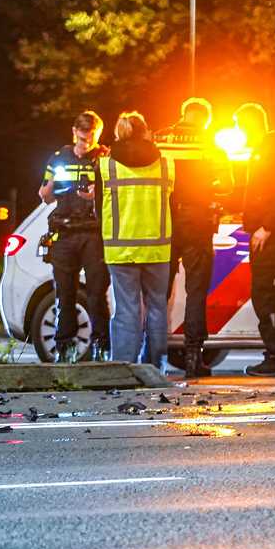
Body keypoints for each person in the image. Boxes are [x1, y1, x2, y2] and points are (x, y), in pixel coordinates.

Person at [154, 97, 232, 378]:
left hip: (164, 221)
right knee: (196, 291)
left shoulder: (161, 138)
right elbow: (228, 184)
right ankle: (193, 357)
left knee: (158, 290)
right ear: (205, 119)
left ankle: (152, 356)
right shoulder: (211, 143)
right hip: (198, 222)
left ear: (183, 114)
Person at [101, 111, 175, 368]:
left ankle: (124, 366)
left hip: (121, 251)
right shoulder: (165, 163)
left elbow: (98, 206)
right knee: (157, 307)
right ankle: (156, 366)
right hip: (157, 249)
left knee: (127, 310)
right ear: (145, 131)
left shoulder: (106, 165)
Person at [38, 110, 112, 363]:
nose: (84, 145)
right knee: (65, 293)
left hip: (92, 232)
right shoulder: (59, 158)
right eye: (81, 139)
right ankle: (64, 346)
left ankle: (101, 345)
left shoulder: (104, 159)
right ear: (74, 132)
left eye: (90, 139)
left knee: (96, 293)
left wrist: (96, 197)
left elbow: (115, 196)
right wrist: (46, 191)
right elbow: (47, 194)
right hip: (65, 231)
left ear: (97, 135)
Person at [234, 102, 275, 376]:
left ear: (252, 125)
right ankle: (273, 353)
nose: (241, 133)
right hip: (266, 235)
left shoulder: (273, 152)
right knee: (263, 294)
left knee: (264, 295)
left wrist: (266, 227)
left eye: (241, 127)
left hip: (272, 236)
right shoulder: (263, 152)